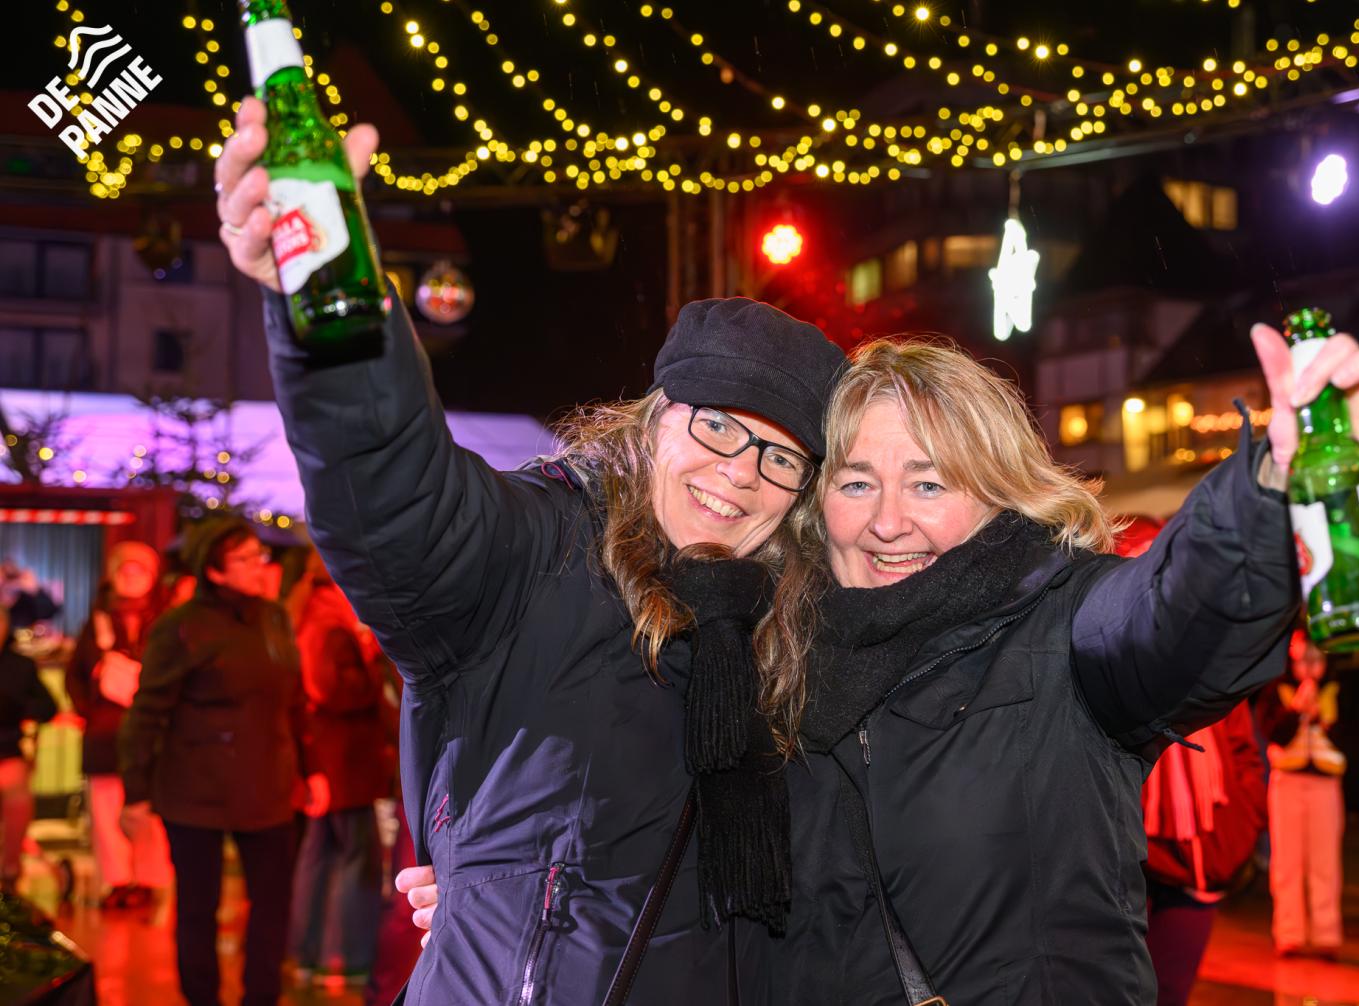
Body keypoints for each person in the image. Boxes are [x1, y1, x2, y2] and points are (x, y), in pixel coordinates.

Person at [407, 329, 1359, 1001]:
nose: (889, 521)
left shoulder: (1062, 627)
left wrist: (1270, 483)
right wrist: (497, 897)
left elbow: (1180, 612)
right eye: (856, 481)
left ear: (998, 492)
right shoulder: (764, 665)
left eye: (931, 483)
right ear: (815, 504)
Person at [216, 95, 848, 1003]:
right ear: (655, 421)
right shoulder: (538, 550)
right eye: (717, 426)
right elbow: (393, 492)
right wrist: (328, 297)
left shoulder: (796, 635)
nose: (739, 473)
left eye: (780, 457)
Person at [117, 517, 313, 1006]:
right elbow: (147, 713)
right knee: (197, 906)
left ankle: (261, 997)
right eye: (244, 559)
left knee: (272, 904)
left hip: (268, 785)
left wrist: (312, 770)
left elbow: (293, 703)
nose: (258, 565)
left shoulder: (273, 618)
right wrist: (135, 791)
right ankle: (201, 998)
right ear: (215, 570)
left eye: (258, 555)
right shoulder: (180, 627)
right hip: (194, 790)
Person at [1119, 517, 1267, 1006]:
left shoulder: (1215, 657)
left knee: (1171, 994)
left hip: (1199, 859)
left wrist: (1236, 835)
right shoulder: (1098, 658)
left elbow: (1244, 752)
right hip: (1123, 865)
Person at [287, 548, 395, 990]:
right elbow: (335, 691)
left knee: (319, 858)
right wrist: (370, 657)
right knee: (354, 860)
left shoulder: (307, 614)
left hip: (328, 757)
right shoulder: (330, 623)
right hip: (345, 759)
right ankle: (347, 959)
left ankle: (308, 955)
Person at [65, 541, 174, 910]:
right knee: (105, 811)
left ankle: (149, 879)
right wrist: (89, 708)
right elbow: (75, 675)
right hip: (104, 734)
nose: (131, 577)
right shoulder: (97, 621)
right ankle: (117, 881)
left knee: (149, 812)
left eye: (139, 569)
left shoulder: (165, 621)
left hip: (150, 734)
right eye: (125, 569)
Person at [1255, 631, 1347, 958]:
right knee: (1287, 861)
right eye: (1303, 660)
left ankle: (1326, 934)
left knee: (1325, 862)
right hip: (1288, 781)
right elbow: (1272, 733)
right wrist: (1295, 709)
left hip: (1325, 783)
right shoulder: (1276, 690)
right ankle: (1289, 933)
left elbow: (1352, 737)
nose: (1309, 668)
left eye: (1316, 660)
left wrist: (1321, 716)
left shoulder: (1336, 691)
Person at [0, 604, 58, 891]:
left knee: (17, 796)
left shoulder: (20, 666)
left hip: (8, 750)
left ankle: (9, 870)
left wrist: (19, 709)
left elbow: (48, 706)